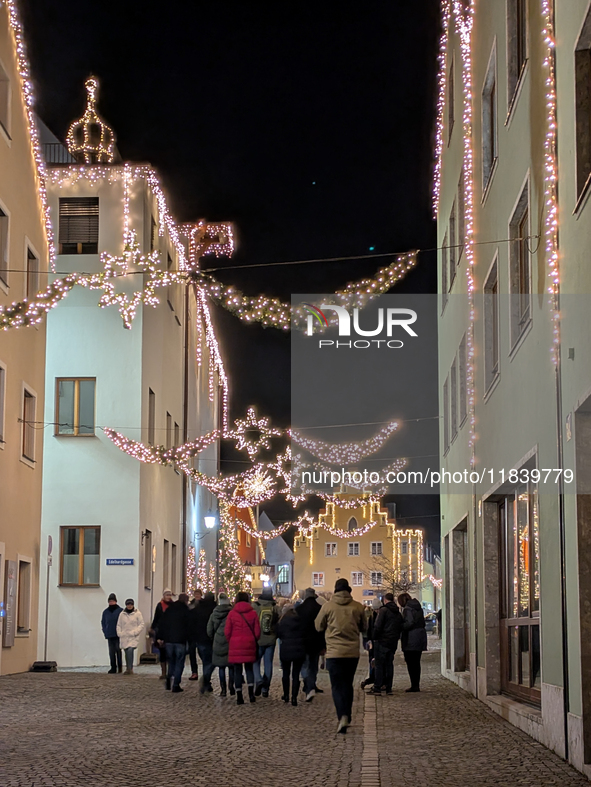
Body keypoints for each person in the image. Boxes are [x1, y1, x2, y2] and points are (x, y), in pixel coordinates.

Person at [315, 578, 366, 734]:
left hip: (334, 653)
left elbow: (318, 626)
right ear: (349, 590)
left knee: (337, 686)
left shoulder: (327, 607)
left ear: (335, 590)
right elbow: (365, 627)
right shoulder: (358, 607)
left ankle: (342, 716)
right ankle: (348, 714)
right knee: (348, 684)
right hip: (352, 653)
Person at [225, 591, 261, 705]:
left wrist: (231, 640)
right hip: (249, 643)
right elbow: (257, 632)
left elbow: (227, 631)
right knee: (249, 668)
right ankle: (251, 694)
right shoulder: (253, 613)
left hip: (235, 644)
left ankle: (239, 696)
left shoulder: (232, 613)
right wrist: (253, 639)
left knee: (237, 670)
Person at [368, 593, 403, 696]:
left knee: (379, 665)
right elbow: (400, 626)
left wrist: (374, 637)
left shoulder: (383, 611)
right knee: (389, 665)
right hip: (392, 642)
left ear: (385, 600)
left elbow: (378, 626)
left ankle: (377, 688)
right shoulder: (398, 612)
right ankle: (389, 688)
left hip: (381, 641)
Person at [297, 587, 325, 701]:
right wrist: (323, 645)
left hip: (302, 642)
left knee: (304, 666)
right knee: (314, 666)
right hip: (316, 642)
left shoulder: (299, 609)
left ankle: (309, 686)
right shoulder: (319, 608)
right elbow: (323, 628)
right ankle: (311, 685)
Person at [158, 592, 190, 693]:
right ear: (186, 600)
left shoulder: (169, 609)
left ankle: (169, 677)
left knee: (171, 661)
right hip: (180, 640)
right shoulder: (186, 610)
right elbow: (189, 627)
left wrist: (161, 637)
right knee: (179, 663)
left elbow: (162, 623)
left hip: (169, 640)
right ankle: (176, 684)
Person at [276, 603, 306, 706]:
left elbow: (278, 634)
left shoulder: (282, 622)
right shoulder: (301, 621)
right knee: (296, 675)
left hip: (286, 650)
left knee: (286, 673)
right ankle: (294, 697)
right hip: (299, 650)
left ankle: (286, 695)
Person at [252, 587, 279, 696]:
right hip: (271, 639)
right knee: (268, 664)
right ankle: (265, 689)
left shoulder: (255, 606)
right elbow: (278, 622)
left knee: (255, 661)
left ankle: (258, 679)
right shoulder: (275, 607)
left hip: (258, 639)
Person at [207, 592, 235, 697]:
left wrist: (214, 638)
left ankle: (223, 690)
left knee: (221, 667)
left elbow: (209, 630)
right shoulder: (232, 613)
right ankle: (231, 687)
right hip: (230, 641)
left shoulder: (214, 613)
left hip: (218, 641)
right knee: (231, 666)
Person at [398, 592, 428, 692]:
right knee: (416, 662)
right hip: (420, 637)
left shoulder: (407, 609)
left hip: (411, 638)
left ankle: (414, 685)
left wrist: (401, 626)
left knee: (411, 662)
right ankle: (416, 684)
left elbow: (409, 623)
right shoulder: (418, 608)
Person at [188, 590, 216, 691]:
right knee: (212, 661)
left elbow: (192, 624)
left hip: (200, 639)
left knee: (205, 661)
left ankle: (206, 681)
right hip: (212, 639)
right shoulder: (214, 609)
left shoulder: (198, 609)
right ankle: (206, 679)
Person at [116, 599, 145, 675]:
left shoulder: (137, 614)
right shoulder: (122, 614)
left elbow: (141, 624)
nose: (129, 606)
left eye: (131, 604)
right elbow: (119, 625)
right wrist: (120, 633)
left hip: (133, 636)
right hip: (124, 636)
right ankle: (128, 668)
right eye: (128, 604)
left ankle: (130, 668)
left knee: (130, 650)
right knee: (126, 651)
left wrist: (135, 632)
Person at [150, 589, 174, 679]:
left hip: (171, 632)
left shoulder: (173, 606)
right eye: (167, 595)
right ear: (164, 596)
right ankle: (164, 672)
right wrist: (152, 628)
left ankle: (170, 672)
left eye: (169, 595)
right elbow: (156, 618)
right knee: (163, 653)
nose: (168, 597)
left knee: (170, 653)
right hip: (161, 632)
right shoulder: (160, 605)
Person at [361, 597, 381, 689]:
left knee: (375, 661)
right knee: (372, 661)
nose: (377, 610)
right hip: (372, 642)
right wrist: (369, 641)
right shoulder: (372, 617)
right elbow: (369, 630)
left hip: (377, 642)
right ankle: (373, 677)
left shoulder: (378, 616)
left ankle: (376, 679)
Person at [101, 593, 122, 674]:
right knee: (111, 652)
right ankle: (113, 667)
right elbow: (103, 622)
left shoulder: (120, 611)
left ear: (115, 601)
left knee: (118, 651)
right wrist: (105, 631)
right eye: (110, 601)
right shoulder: (106, 612)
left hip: (118, 634)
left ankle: (120, 667)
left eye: (112, 601)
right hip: (109, 634)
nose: (111, 602)